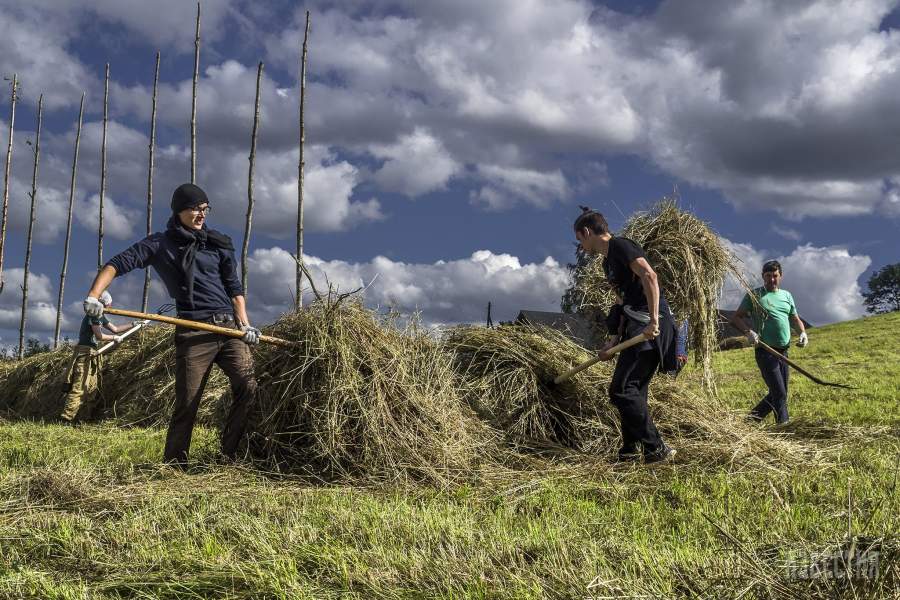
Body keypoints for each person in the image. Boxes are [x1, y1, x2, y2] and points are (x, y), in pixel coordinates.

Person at [82, 183, 261, 467]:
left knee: (248, 387)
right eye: (195, 209)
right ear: (179, 211)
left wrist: (246, 325)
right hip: (193, 331)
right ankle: (176, 465)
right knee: (188, 402)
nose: (201, 215)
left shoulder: (217, 244)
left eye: (205, 209)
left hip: (229, 329)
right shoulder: (160, 244)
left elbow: (234, 288)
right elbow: (116, 263)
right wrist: (93, 296)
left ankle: (228, 455)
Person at [575, 206, 678, 464]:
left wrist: (654, 319)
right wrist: (612, 342)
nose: (580, 246)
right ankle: (630, 451)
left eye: (579, 239)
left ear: (587, 232)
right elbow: (622, 305)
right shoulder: (607, 263)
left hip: (650, 326)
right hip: (635, 326)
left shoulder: (620, 245)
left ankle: (656, 448)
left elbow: (650, 276)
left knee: (621, 389)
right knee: (633, 391)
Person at [730, 260, 808, 424]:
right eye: (768, 276)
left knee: (780, 392)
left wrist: (802, 333)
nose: (771, 280)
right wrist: (748, 332)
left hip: (783, 352)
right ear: (762, 276)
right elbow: (736, 318)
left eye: (775, 276)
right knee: (779, 392)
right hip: (765, 351)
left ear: (780, 276)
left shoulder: (786, 295)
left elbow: (794, 318)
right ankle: (784, 426)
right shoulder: (755, 295)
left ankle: (749, 422)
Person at [60, 291, 136, 422]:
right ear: (103, 303)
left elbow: (116, 329)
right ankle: (65, 419)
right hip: (84, 353)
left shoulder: (101, 316)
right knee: (80, 387)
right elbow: (99, 336)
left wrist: (134, 324)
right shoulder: (94, 314)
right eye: (109, 304)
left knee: (91, 390)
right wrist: (114, 338)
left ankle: (82, 420)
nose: (111, 307)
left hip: (93, 354)